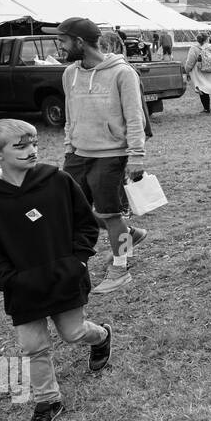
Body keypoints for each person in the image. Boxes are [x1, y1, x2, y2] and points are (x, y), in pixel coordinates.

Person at [0, 119, 114, 421]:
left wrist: (79, 261)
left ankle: (101, 337)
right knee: (34, 346)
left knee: (73, 333)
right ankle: (48, 402)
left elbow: (85, 224)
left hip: (66, 277)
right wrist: (10, 280)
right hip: (24, 289)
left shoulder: (56, 180)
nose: (32, 151)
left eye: (33, 144)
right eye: (21, 147)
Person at [54, 17, 149, 296]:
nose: (60, 46)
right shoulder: (69, 73)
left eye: (63, 40)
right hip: (78, 153)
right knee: (72, 209)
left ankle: (120, 267)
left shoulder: (123, 73)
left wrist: (137, 155)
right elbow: (70, 114)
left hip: (112, 153)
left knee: (110, 212)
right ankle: (127, 234)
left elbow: (134, 117)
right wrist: (69, 145)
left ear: (79, 42)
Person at [183, 32, 211, 114]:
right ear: (208, 39)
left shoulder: (194, 48)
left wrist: (187, 71)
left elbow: (190, 61)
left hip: (201, 72)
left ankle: (206, 108)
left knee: (202, 88)